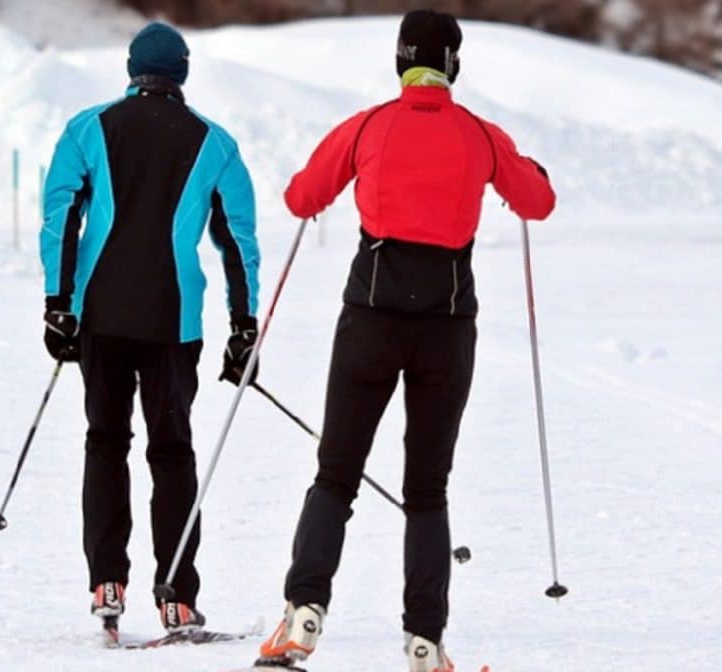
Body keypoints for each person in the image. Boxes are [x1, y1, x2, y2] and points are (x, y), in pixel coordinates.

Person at [256, 10, 556, 672]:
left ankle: (302, 616)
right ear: (452, 63)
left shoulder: (368, 125)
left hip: (370, 320)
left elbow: (302, 197)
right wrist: (526, 166)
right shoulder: (480, 135)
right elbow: (537, 202)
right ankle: (425, 642)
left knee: (336, 471)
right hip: (447, 330)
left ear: (400, 61)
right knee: (427, 487)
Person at [39, 21, 261, 637]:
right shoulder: (214, 143)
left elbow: (62, 218)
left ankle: (106, 581)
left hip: (101, 317)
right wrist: (245, 327)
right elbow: (238, 243)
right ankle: (177, 597)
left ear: (132, 69)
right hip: (173, 321)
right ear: (182, 73)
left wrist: (58, 304)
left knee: (105, 443)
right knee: (172, 452)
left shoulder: (87, 128)